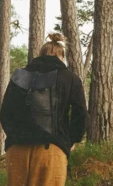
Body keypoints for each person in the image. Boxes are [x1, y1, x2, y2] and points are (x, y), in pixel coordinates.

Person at [0, 33, 87, 186]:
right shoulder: (70, 78)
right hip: (52, 149)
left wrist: (15, 136)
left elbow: (6, 112)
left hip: (17, 149)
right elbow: (80, 114)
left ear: (40, 55)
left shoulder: (18, 76)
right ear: (62, 56)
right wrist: (72, 140)